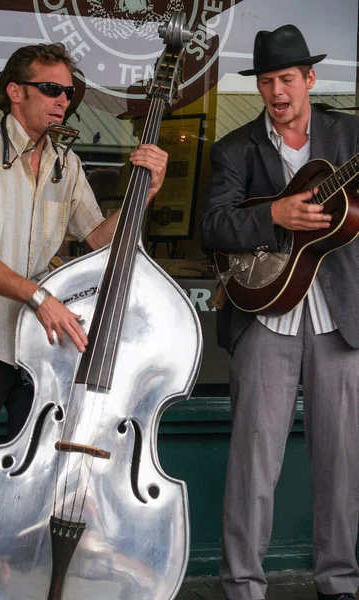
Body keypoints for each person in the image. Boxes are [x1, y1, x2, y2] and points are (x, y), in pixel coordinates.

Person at [0, 42, 167, 600]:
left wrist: (146, 191)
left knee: (33, 485)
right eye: (51, 88)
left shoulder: (66, 163)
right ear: (16, 91)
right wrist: (39, 297)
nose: (63, 100)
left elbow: (99, 241)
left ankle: (3, 586)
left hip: (35, 351)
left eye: (69, 91)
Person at [200, 24, 359, 600]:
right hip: (265, 318)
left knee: (341, 466)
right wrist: (275, 215)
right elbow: (213, 226)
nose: (277, 92)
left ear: (310, 78)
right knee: (253, 464)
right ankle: (243, 585)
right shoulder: (234, 148)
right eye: (267, 81)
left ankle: (338, 583)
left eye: (287, 79)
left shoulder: (350, 137)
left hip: (339, 316)